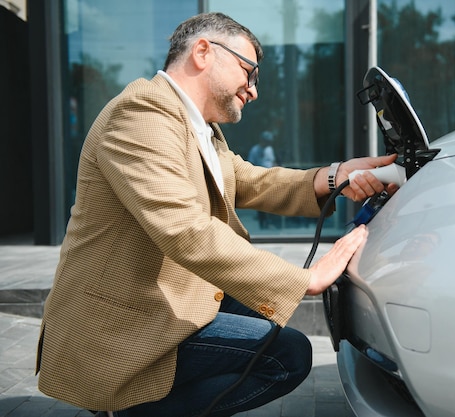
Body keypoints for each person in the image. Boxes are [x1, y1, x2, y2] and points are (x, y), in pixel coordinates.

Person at [36, 12, 399, 417]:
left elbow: (248, 181)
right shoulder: (141, 114)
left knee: (272, 323)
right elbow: (184, 230)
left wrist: (336, 176)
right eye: (249, 71)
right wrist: (307, 278)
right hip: (120, 325)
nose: (254, 89)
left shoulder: (197, 126)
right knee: (287, 355)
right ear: (204, 52)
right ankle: (130, 410)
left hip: (176, 294)